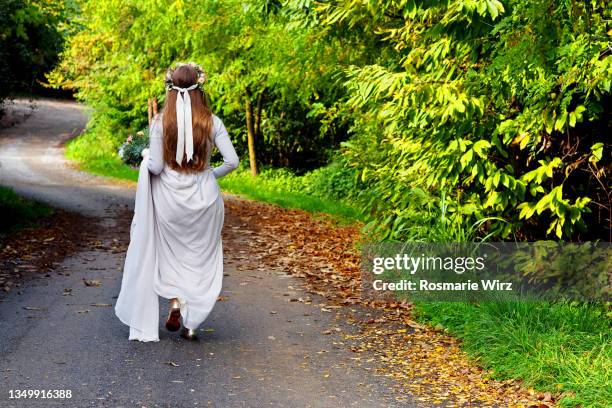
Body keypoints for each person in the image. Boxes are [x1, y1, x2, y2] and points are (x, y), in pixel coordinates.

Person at [115, 62, 239, 341]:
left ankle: (174, 302)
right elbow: (233, 161)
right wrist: (210, 175)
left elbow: (157, 167)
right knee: (199, 259)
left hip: (170, 200)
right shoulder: (213, 122)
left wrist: (145, 157)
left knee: (170, 254)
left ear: (170, 89)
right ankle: (192, 323)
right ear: (200, 88)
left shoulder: (160, 122)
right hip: (205, 199)